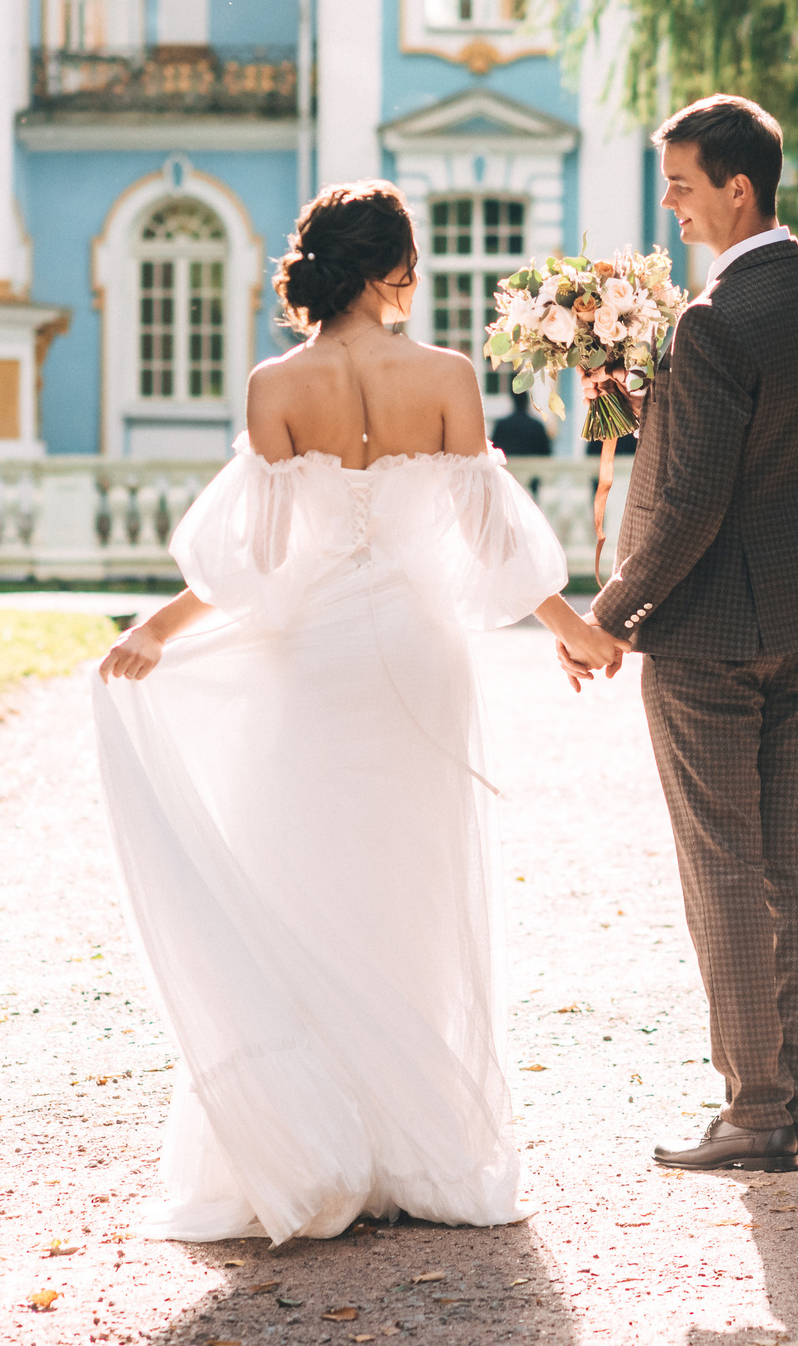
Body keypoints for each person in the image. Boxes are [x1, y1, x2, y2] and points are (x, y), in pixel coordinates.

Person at [92, 181, 624, 1244]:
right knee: (413, 891)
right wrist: (574, 628)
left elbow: (253, 563)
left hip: (314, 663)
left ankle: (310, 1140)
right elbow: (491, 539)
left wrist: (159, 624)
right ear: (392, 273)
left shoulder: (275, 384)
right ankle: (417, 1143)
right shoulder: (444, 377)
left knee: (298, 880)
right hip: (420, 661)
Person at [560, 95, 798, 1175]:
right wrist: (651, 402)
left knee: (724, 864)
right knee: (797, 854)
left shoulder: (713, 315)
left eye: (683, 185)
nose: (671, 207)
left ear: (738, 186)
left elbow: (690, 501)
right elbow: (754, 445)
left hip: (709, 636)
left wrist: (609, 614)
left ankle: (753, 1110)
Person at [490, 387, 554, 458]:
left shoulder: (501, 425)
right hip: (533, 467)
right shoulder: (537, 426)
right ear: (527, 401)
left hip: (508, 467)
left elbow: (494, 453)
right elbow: (546, 455)